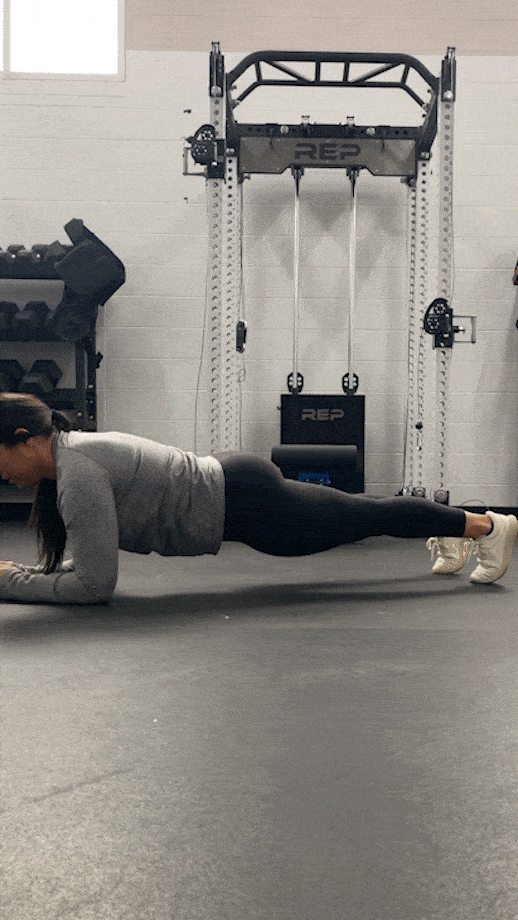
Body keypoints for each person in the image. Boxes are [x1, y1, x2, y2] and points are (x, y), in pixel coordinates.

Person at [0, 392, 516, 605]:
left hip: (248, 504)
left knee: (368, 516)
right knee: (365, 514)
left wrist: (12, 583)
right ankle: (457, 530)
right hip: (236, 491)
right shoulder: (72, 459)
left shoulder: (77, 471)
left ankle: (488, 527)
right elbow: (88, 559)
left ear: (24, 438)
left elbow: (94, 585)